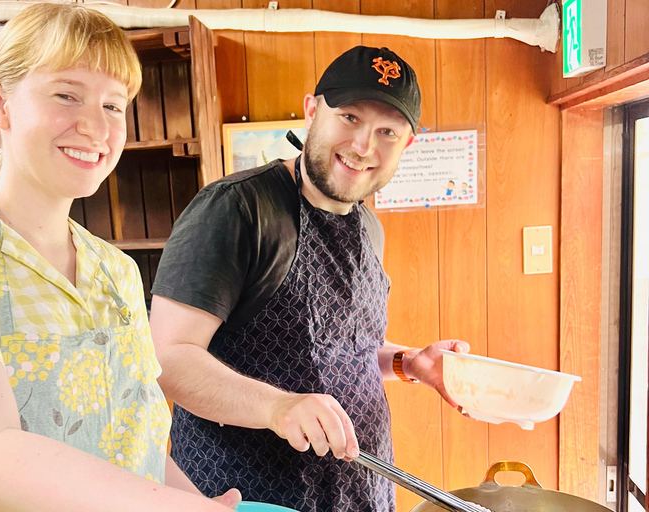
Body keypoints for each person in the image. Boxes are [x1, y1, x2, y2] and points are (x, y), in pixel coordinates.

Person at [0, 4, 240, 512]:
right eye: (67, 95)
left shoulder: (116, 271)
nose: (95, 127)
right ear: (0, 105)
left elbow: (133, 441)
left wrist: (201, 501)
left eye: (114, 106)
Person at [149, 46, 470, 512]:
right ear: (312, 110)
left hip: (363, 493)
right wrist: (276, 409)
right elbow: (167, 359)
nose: (364, 146)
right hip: (246, 498)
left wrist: (408, 363)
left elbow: (341, 350)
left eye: (387, 132)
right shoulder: (237, 209)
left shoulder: (369, 229)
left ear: (406, 144)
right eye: (350, 118)